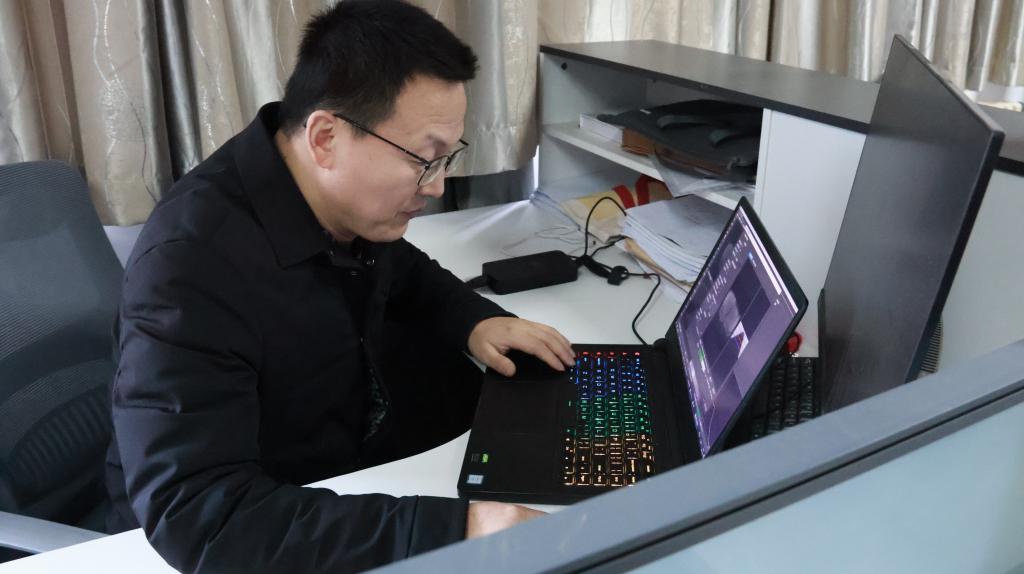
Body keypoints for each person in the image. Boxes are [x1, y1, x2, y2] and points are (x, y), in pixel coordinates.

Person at [104, 1, 574, 572]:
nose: (437, 185)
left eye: (447, 157)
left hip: (342, 453)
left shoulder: (338, 200)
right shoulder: (189, 270)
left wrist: (474, 319)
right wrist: (457, 532)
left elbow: (404, 267)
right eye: (425, 159)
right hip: (255, 514)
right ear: (325, 137)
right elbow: (201, 516)